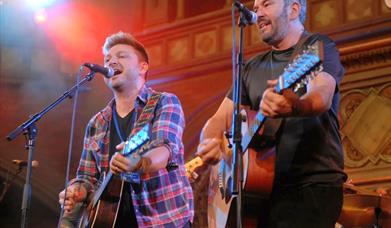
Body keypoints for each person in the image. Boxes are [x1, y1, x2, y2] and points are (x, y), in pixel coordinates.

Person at [196, 0, 347, 227]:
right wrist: (209, 141)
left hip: (311, 186)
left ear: (294, 9)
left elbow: (321, 96)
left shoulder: (317, 47)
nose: (258, 13)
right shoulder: (251, 68)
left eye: (267, 4)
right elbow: (219, 118)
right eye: (256, 9)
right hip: (260, 193)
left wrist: (295, 106)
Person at [58, 31, 194, 227]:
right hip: (109, 220)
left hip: (161, 220)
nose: (111, 62)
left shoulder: (163, 102)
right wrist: (78, 191)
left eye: (121, 56)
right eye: (107, 59)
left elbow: (165, 149)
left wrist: (138, 162)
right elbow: (86, 176)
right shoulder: (97, 122)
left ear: (143, 67)